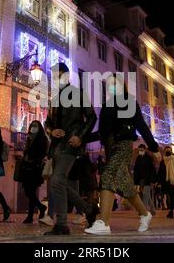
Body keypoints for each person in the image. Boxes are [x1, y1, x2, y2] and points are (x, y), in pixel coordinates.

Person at [84, 74, 159, 235]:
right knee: (126, 186)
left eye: (115, 83)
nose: (112, 86)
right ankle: (145, 214)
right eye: (110, 84)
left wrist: (154, 146)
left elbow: (141, 125)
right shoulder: (107, 106)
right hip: (110, 148)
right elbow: (102, 132)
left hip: (124, 145)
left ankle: (103, 222)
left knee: (107, 175)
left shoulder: (129, 102)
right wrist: (83, 138)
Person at [44, 63, 99, 235]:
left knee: (56, 180)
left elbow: (91, 118)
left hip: (71, 144)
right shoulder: (54, 98)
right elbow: (47, 122)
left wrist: (80, 136)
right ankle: (88, 209)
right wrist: (52, 130)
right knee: (58, 182)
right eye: (54, 76)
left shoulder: (78, 94)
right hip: (56, 146)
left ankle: (61, 223)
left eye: (59, 75)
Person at [20, 121, 49, 223]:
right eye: (32, 126)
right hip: (27, 168)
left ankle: (32, 214)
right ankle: (37, 210)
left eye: (35, 126)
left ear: (39, 128)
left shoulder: (42, 139)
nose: (33, 127)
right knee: (29, 192)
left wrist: (33, 159)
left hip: (35, 168)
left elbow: (43, 153)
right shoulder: (29, 138)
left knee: (30, 191)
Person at [157, 146, 174, 218]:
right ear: (164, 151)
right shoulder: (162, 161)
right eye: (166, 150)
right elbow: (160, 172)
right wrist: (159, 181)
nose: (168, 151)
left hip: (173, 180)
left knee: (171, 196)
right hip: (165, 181)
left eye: (169, 150)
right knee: (170, 196)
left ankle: (172, 212)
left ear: (171, 151)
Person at [133, 144, 157, 215]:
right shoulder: (138, 158)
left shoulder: (149, 158)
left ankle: (144, 211)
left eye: (142, 150)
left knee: (145, 195)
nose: (140, 151)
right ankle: (153, 210)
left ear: (145, 150)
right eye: (139, 150)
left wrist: (153, 180)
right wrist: (135, 182)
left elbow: (152, 170)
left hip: (147, 179)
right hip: (140, 180)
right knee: (146, 195)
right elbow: (136, 170)